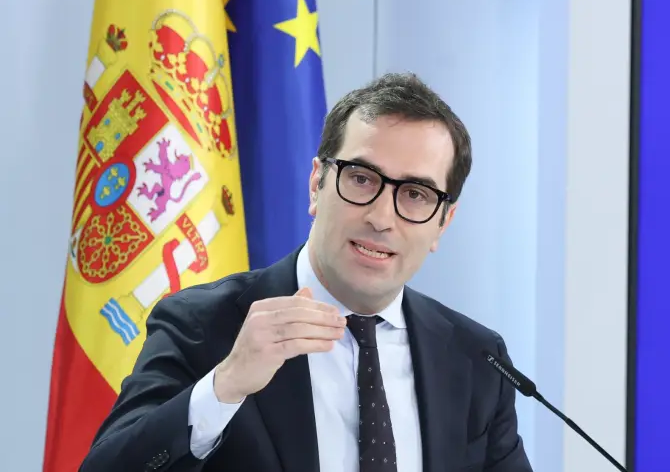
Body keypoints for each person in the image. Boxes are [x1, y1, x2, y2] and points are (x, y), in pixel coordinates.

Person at [78, 72, 533, 472]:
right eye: (361, 178)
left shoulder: (477, 359)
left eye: (415, 194)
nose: (381, 217)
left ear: (443, 223)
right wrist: (224, 386)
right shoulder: (203, 325)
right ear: (317, 184)